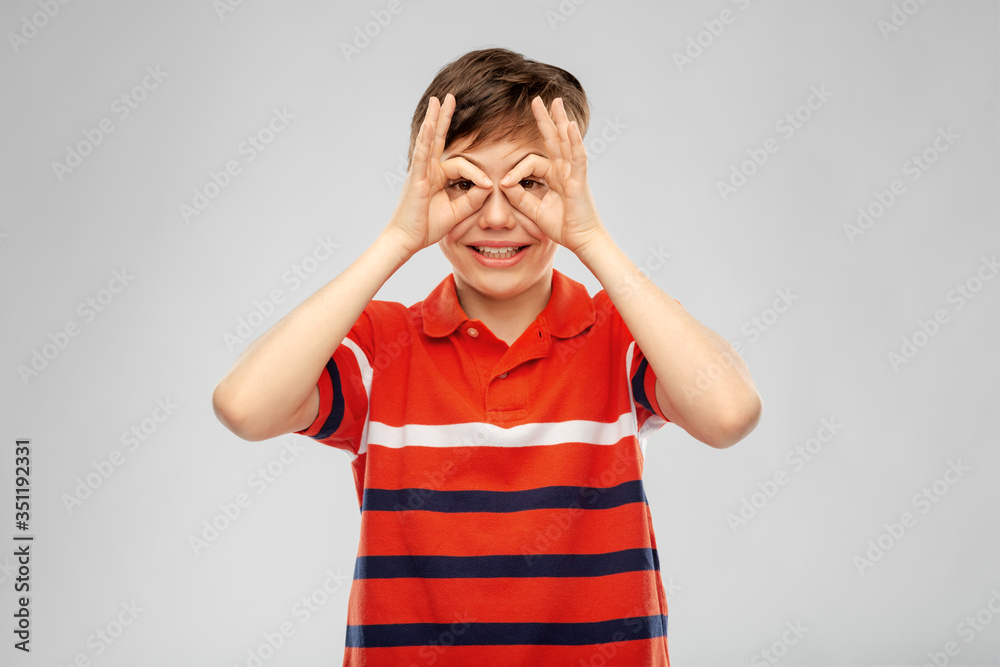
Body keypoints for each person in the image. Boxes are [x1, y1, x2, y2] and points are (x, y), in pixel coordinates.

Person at [213, 47, 761, 667]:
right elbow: (245, 408)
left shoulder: (621, 333)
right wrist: (397, 239)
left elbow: (729, 414)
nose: (497, 217)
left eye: (531, 183)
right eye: (462, 185)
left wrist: (590, 237)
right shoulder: (382, 346)